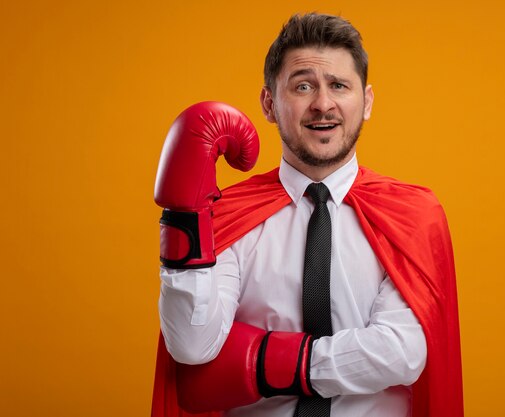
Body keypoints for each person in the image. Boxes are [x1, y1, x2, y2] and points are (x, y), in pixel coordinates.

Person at [151, 13, 463, 417]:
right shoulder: (227, 216)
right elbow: (194, 345)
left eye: (339, 85)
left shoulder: (411, 215)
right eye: (303, 86)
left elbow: (400, 353)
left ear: (365, 102)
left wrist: (262, 361)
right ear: (269, 103)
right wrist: (185, 218)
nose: (322, 103)